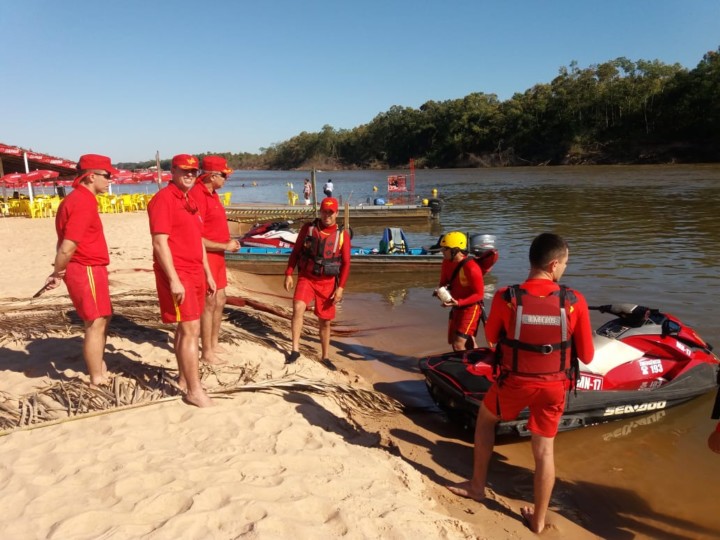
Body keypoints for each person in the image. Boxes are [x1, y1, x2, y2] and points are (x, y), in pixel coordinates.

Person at [447, 233, 594, 534]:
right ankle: (538, 520)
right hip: (554, 388)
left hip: (514, 383)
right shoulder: (574, 301)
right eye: (565, 263)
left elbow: (492, 338)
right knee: (545, 451)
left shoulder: (506, 296)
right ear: (553, 265)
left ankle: (477, 487)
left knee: (486, 419)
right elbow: (588, 356)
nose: (565, 268)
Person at [42, 154, 118, 386]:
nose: (110, 180)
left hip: (89, 266)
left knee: (103, 317)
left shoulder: (79, 199)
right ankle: (97, 376)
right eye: (107, 175)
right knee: (95, 322)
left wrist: (60, 271)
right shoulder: (82, 201)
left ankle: (99, 366)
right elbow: (67, 246)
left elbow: (64, 243)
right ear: (91, 176)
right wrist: (58, 272)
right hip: (86, 267)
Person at [148, 154, 216, 408]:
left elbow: (197, 240)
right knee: (190, 330)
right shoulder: (164, 199)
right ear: (173, 171)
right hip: (179, 272)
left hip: (195, 270)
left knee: (186, 329)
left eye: (194, 171)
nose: (189, 175)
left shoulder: (189, 199)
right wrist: (174, 279)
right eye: (184, 170)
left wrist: (208, 273)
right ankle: (194, 391)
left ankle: (184, 379)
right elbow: (159, 242)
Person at [283, 197, 350, 370]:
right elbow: (296, 252)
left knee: (325, 321)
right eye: (324, 212)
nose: (327, 215)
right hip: (307, 277)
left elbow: (346, 263)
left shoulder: (342, 235)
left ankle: (325, 356)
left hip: (327, 282)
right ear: (320, 212)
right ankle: (295, 350)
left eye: (331, 212)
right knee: (298, 307)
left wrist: (340, 288)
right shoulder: (308, 229)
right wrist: (288, 273)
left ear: (337, 213)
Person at [189, 156, 241, 365]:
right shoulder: (197, 194)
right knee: (209, 302)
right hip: (206, 256)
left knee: (220, 299)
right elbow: (195, 237)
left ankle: (214, 343)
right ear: (212, 176)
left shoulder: (213, 194)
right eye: (224, 175)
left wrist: (228, 244)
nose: (226, 179)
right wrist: (224, 245)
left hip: (218, 255)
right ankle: (207, 352)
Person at [435, 231, 485, 351]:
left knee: (458, 344)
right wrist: (441, 293)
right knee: (461, 341)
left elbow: (479, 294)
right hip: (457, 306)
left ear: (455, 250)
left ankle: (464, 363)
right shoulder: (446, 262)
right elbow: (443, 283)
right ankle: (475, 359)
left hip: (471, 308)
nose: (442, 251)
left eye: (445, 249)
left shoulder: (471, 268)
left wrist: (459, 302)